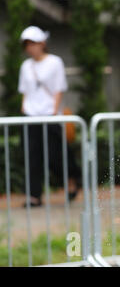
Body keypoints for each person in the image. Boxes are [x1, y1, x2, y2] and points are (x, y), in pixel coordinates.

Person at [18, 26, 82, 207]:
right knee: (32, 156)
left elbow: (58, 89)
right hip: (30, 115)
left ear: (42, 43)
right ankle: (34, 196)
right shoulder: (25, 66)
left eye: (32, 43)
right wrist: (24, 108)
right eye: (26, 44)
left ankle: (72, 180)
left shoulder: (55, 62)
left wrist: (55, 111)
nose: (29, 48)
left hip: (50, 115)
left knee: (56, 155)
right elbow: (25, 91)